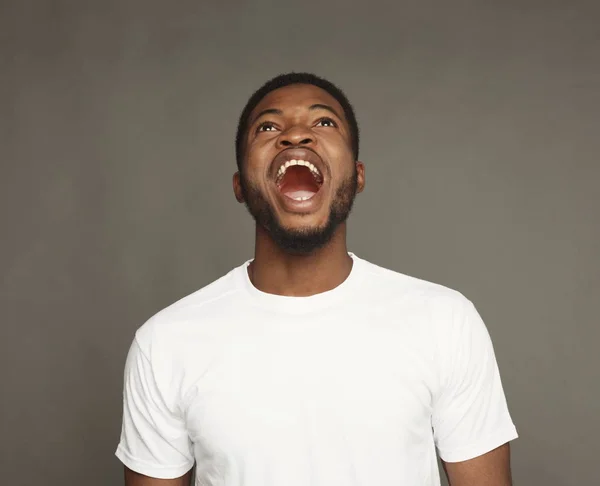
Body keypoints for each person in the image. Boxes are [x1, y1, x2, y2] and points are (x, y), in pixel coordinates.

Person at [116, 72, 518, 486]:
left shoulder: (445, 321)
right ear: (240, 185)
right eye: (268, 127)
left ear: (357, 176)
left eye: (324, 122)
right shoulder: (165, 343)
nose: (295, 135)